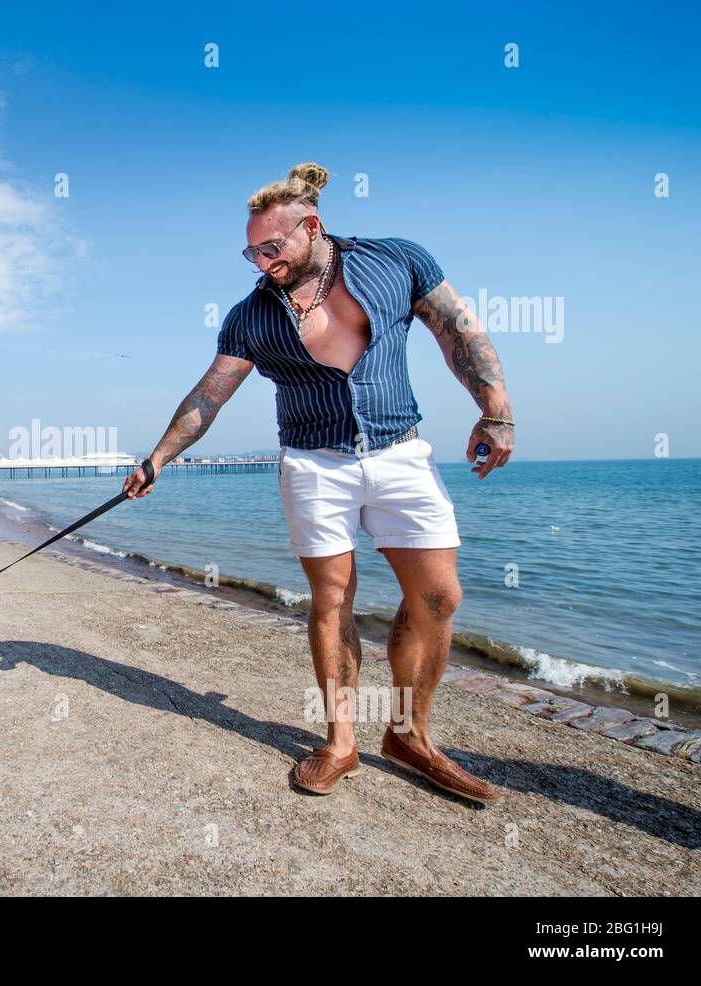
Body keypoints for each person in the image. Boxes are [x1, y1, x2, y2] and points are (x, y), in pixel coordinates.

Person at [123, 162, 514, 805]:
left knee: (439, 598)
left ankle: (409, 734)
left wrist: (496, 409)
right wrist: (159, 458)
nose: (260, 262)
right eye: (251, 252)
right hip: (312, 463)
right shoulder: (251, 316)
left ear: (313, 226)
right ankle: (340, 743)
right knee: (331, 600)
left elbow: (460, 333)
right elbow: (209, 395)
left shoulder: (395, 262)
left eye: (271, 248)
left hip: (400, 452)